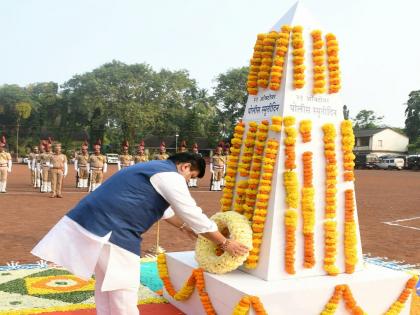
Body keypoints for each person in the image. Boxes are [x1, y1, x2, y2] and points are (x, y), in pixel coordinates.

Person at [31, 152, 249, 315]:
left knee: (107, 284)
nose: (187, 182)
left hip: (93, 223)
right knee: (123, 287)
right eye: (190, 176)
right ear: (184, 167)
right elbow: (191, 211)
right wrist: (225, 242)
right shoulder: (170, 176)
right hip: (113, 230)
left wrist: (184, 228)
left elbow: (165, 210)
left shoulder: (151, 168)